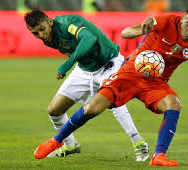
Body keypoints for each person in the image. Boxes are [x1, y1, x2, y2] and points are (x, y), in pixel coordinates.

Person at [33, 4, 188, 166]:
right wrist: (141, 28)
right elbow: (127, 33)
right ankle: (55, 141)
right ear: (183, 18)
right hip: (130, 72)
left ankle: (159, 155)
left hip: (155, 82)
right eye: (187, 24)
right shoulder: (167, 21)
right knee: (93, 108)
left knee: (173, 103)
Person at [25, 9, 149, 161]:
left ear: (50, 21)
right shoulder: (48, 39)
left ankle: (139, 143)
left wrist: (67, 65)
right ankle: (70, 145)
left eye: (42, 29)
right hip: (85, 69)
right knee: (54, 110)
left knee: (113, 101)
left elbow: (89, 39)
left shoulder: (67, 24)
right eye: (35, 33)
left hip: (108, 63)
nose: (41, 35)